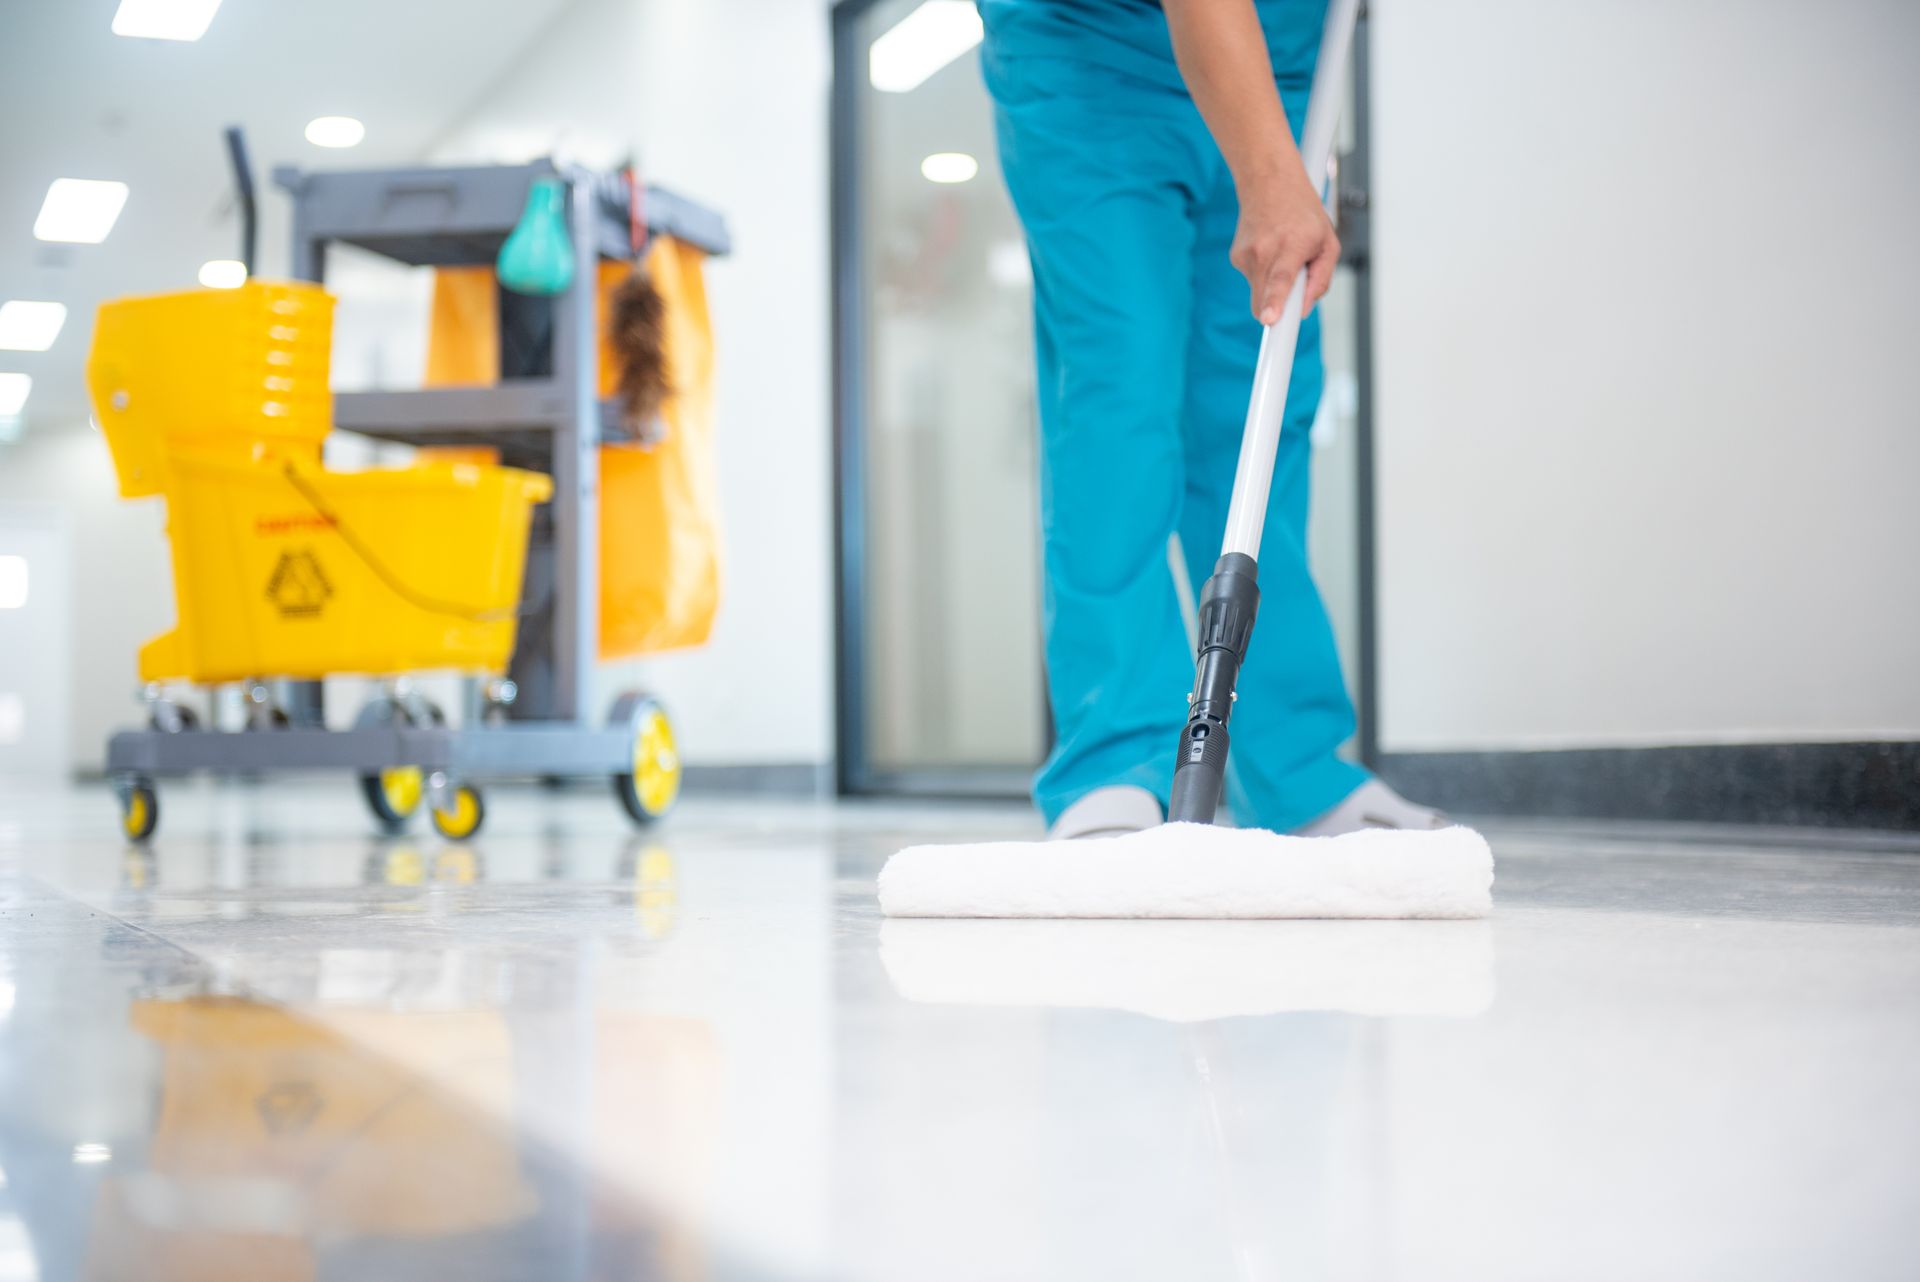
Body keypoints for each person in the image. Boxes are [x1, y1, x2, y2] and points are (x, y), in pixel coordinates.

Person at [978, 0, 1444, 838]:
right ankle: (1112, 763)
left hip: (1280, 58)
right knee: (1119, 395)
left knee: (1260, 411)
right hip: (1089, 53)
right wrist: (1269, 180)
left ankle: (1299, 771)